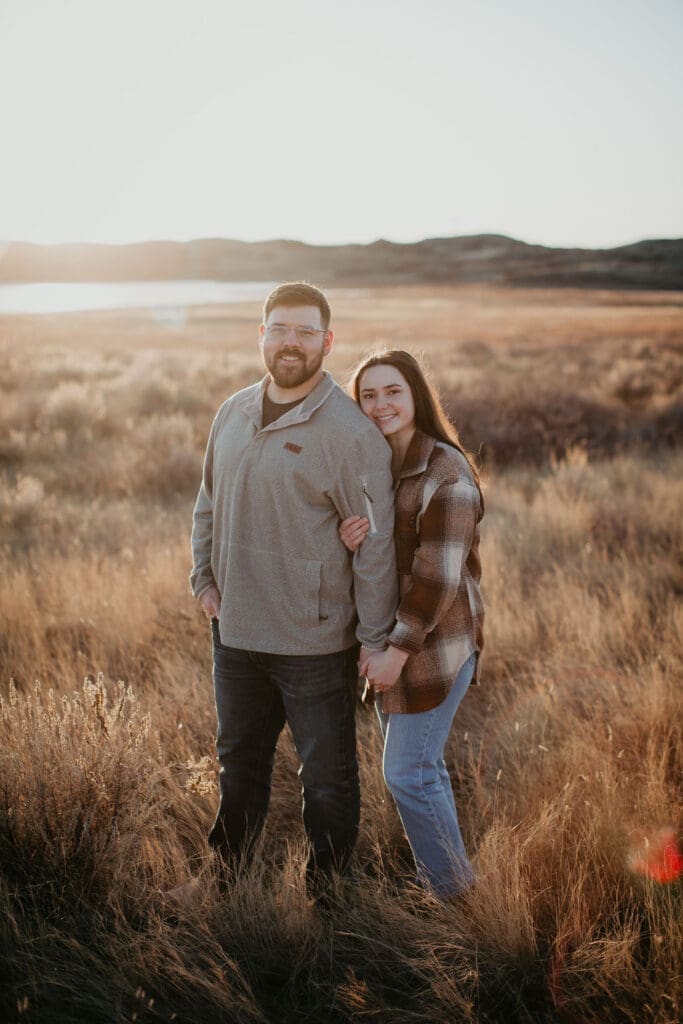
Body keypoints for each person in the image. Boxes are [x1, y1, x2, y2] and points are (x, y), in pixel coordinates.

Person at [190, 282, 398, 898]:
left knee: (327, 781)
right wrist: (203, 577)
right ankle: (223, 882)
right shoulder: (231, 412)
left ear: (328, 342)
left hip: (314, 642)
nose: (291, 343)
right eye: (280, 328)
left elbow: (377, 543)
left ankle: (327, 899)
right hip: (236, 633)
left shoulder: (350, 433)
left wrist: (375, 639)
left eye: (306, 332)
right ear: (262, 335)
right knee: (238, 766)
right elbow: (207, 502)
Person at [339, 349, 484, 900]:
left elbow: (436, 580)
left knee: (408, 774)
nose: (380, 405)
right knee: (423, 769)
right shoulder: (377, 467)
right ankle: (451, 883)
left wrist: (394, 653)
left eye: (392, 392)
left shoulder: (446, 473)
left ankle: (452, 897)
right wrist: (353, 538)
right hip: (391, 642)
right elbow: (381, 558)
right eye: (368, 395)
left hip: (434, 646)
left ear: (415, 395)